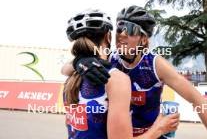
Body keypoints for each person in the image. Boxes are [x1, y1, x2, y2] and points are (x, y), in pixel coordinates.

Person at [62, 6, 207, 138]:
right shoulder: (110, 58)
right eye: (119, 28)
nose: (122, 34)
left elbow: (198, 100)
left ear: (143, 39)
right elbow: (64, 70)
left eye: (129, 29)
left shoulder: (155, 64)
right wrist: (80, 61)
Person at [63, 9, 179, 139]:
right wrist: (159, 128)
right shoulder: (116, 79)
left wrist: (78, 61)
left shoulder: (71, 79)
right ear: (108, 36)